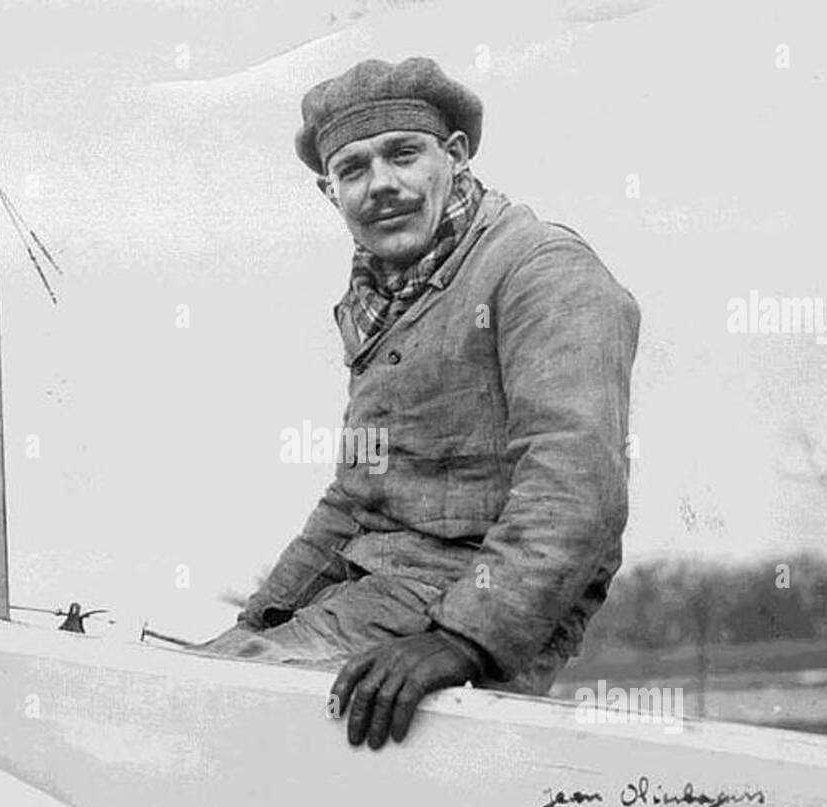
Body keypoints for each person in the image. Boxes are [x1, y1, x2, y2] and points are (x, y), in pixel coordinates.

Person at [203, 56, 641, 750]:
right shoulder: (383, 297)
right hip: (376, 589)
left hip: (473, 595)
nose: (380, 185)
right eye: (352, 170)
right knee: (197, 679)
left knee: (225, 715)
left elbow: (576, 485)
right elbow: (355, 500)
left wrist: (463, 639)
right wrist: (258, 621)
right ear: (330, 192)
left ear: (456, 157)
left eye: (403, 155)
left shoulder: (540, 270)